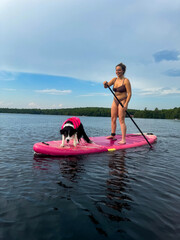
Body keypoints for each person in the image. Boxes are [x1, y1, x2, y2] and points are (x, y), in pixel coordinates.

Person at [103, 63, 132, 144]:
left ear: (123, 71)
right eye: (116, 70)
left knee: (121, 120)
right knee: (113, 118)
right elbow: (106, 86)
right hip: (115, 101)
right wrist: (104, 83)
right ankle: (112, 135)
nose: (117, 71)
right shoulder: (114, 79)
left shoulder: (126, 81)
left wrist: (126, 104)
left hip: (123, 100)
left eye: (119, 70)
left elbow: (129, 94)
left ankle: (123, 139)